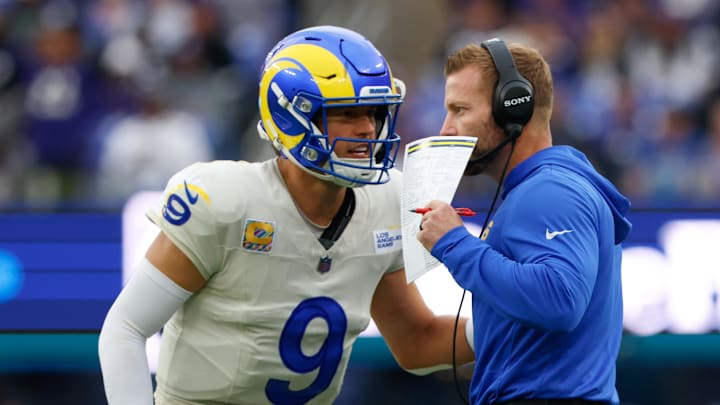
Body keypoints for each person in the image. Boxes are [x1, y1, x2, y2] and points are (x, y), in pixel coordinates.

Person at [98, 25, 474, 405]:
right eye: (346, 113)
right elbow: (125, 329)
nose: (366, 128)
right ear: (292, 116)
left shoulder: (387, 201)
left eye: (374, 112)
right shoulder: (226, 201)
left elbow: (418, 342)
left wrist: (517, 325)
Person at [416, 38, 632, 405]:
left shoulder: (548, 191)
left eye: (460, 110)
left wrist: (454, 243)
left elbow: (559, 300)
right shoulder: (542, 187)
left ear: (511, 109)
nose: (446, 128)